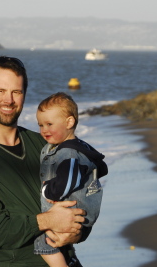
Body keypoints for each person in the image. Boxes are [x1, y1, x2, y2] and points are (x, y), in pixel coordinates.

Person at [0, 56, 88, 267]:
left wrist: (77, 232)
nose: (8, 100)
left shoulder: (44, 145)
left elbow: (81, 196)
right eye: (0, 91)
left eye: (16, 92)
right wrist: (47, 221)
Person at [34, 92, 104, 267]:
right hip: (78, 212)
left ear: (69, 122)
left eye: (50, 124)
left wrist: (47, 190)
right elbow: (100, 167)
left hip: (73, 212)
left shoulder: (68, 153)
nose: (44, 130)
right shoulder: (79, 147)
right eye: (41, 125)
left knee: (42, 242)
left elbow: (67, 181)